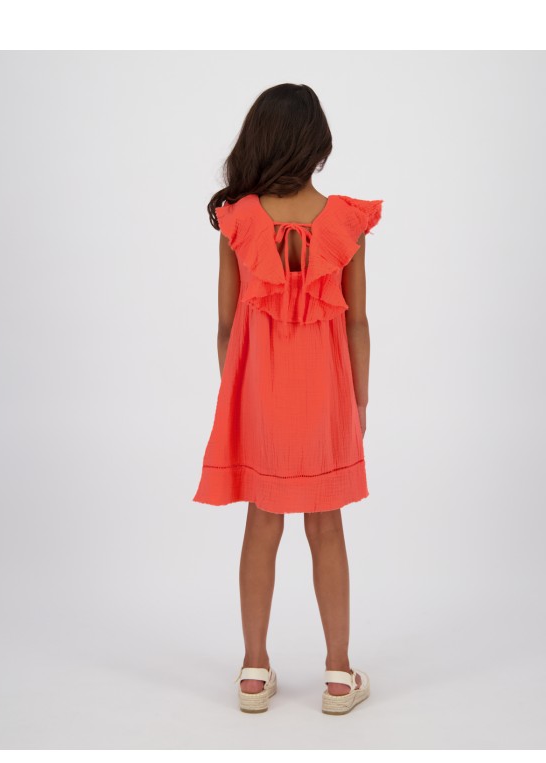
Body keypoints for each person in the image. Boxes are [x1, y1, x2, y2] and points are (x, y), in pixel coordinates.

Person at [193, 83, 382, 715]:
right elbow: (358, 323)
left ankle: (253, 671)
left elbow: (225, 327)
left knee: (261, 522)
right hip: (327, 396)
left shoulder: (238, 222)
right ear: (317, 145)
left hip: (259, 397)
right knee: (327, 525)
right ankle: (338, 675)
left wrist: (238, 395)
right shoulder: (346, 222)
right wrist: (358, 401)